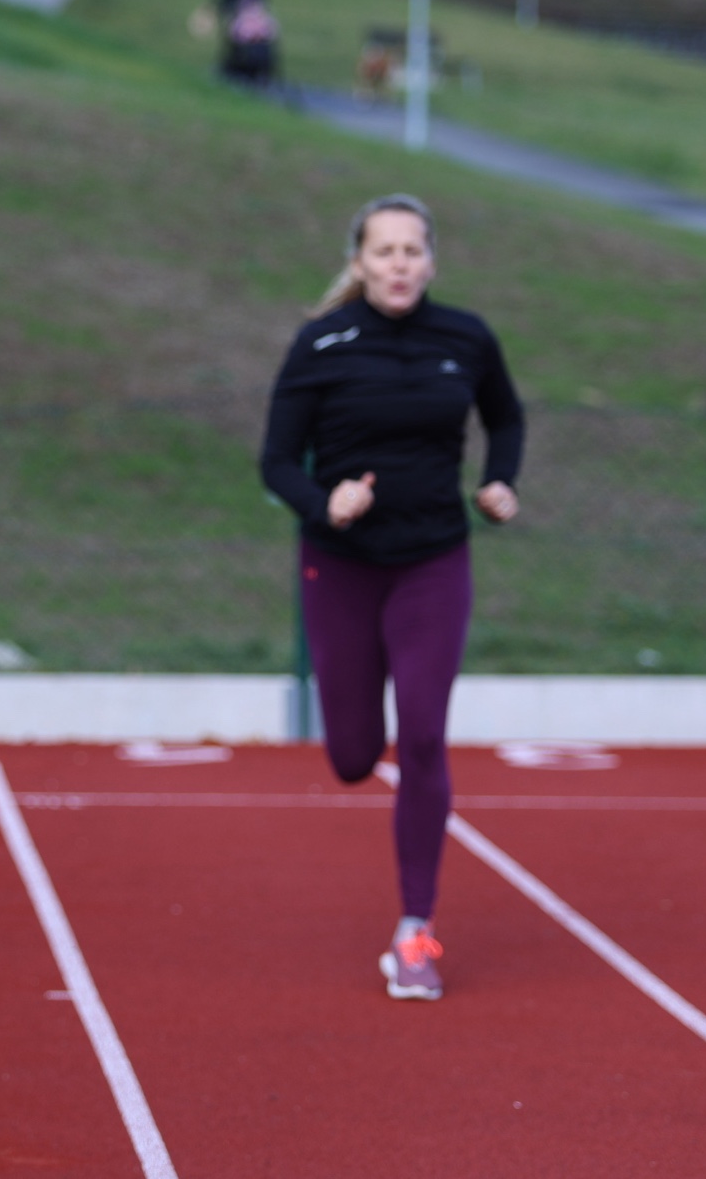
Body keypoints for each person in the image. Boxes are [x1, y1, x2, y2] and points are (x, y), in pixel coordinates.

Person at [259, 193, 524, 1002]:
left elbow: (505, 418)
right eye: (384, 251)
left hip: (432, 559)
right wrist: (324, 503)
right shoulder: (321, 342)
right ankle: (359, 748)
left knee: (423, 733)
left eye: (412, 250)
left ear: (430, 260)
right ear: (360, 262)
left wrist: (499, 483)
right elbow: (276, 461)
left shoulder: (465, 337)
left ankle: (415, 930)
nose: (399, 264)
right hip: (341, 563)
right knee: (350, 756)